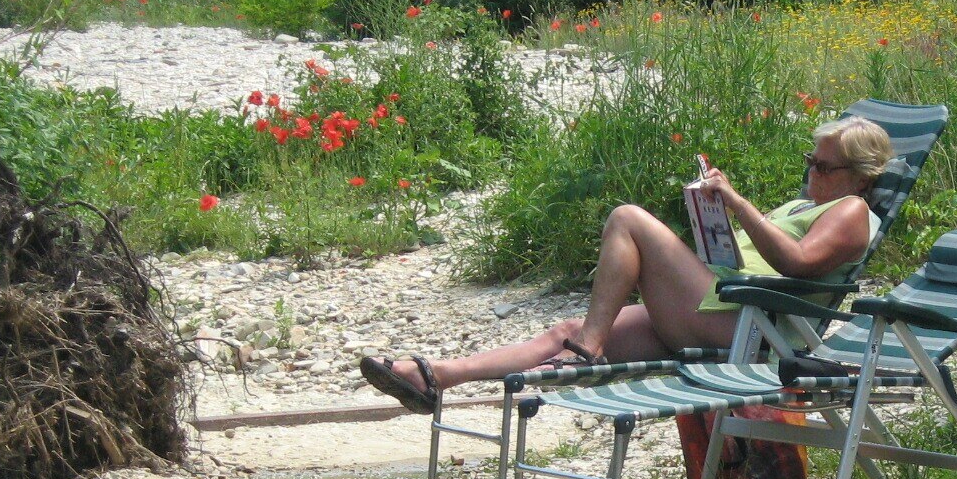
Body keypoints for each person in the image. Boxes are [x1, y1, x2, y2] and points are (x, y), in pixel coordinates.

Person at [359, 115, 895, 413]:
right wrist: (714, 225)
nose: (812, 173)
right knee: (568, 327)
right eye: (810, 162)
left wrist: (736, 203)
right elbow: (762, 255)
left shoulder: (850, 210)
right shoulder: (811, 204)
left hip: (749, 326)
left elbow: (798, 263)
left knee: (628, 218)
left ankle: (588, 351)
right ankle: (435, 377)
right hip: (724, 305)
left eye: (823, 166)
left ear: (861, 176)